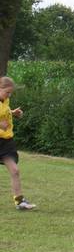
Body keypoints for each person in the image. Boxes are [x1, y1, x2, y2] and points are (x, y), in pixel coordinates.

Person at [0, 77, 36, 210]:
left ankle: (20, 202)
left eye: (10, 93)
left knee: (15, 171)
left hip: (6, 142)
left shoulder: (5, 100)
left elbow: (4, 110)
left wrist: (13, 113)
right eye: (7, 92)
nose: (9, 95)